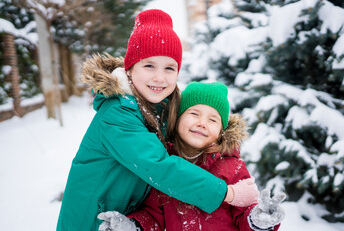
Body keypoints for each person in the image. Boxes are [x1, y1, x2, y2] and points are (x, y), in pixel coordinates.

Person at [56, 9, 259, 230]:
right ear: (130, 69)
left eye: (169, 68)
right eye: (149, 65)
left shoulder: (158, 111)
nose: (159, 77)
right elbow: (159, 167)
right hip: (90, 222)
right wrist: (227, 193)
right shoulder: (117, 114)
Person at [97, 82, 286, 231]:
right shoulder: (166, 165)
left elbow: (244, 214)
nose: (202, 123)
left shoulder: (232, 167)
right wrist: (133, 225)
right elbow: (153, 215)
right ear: (178, 119)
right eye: (194, 113)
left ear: (222, 131)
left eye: (213, 119)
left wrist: (258, 219)